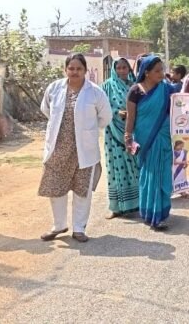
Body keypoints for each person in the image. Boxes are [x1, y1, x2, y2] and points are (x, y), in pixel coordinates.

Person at [38, 54, 112, 242]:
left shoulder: (95, 92)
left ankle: (79, 228)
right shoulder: (54, 88)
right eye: (71, 68)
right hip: (58, 148)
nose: (74, 72)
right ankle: (59, 225)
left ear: (85, 71)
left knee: (82, 190)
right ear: (65, 70)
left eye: (79, 69)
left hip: (83, 150)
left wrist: (88, 130)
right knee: (56, 187)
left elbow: (105, 117)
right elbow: (46, 109)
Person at [125, 55, 180, 230]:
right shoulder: (135, 91)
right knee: (149, 175)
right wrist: (127, 137)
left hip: (164, 137)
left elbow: (181, 109)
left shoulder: (167, 90)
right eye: (157, 71)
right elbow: (131, 117)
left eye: (162, 70)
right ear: (146, 72)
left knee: (163, 174)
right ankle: (150, 213)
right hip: (145, 139)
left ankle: (161, 214)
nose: (161, 74)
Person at [101, 58, 140, 219]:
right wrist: (117, 113)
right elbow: (102, 107)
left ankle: (137, 203)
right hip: (113, 134)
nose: (122, 71)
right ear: (114, 69)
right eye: (119, 68)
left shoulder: (134, 87)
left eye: (125, 68)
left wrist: (131, 114)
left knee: (134, 166)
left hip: (132, 132)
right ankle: (116, 207)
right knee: (115, 169)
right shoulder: (106, 87)